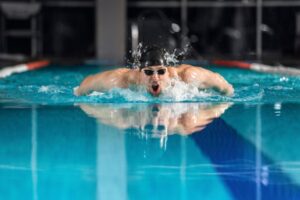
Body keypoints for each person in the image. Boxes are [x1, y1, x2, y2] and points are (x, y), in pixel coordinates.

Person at [75, 47, 234, 96]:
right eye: (149, 72)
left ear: (168, 71)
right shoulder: (120, 80)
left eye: (161, 72)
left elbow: (225, 87)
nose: (155, 78)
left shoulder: (187, 77)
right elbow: (83, 86)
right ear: (139, 72)